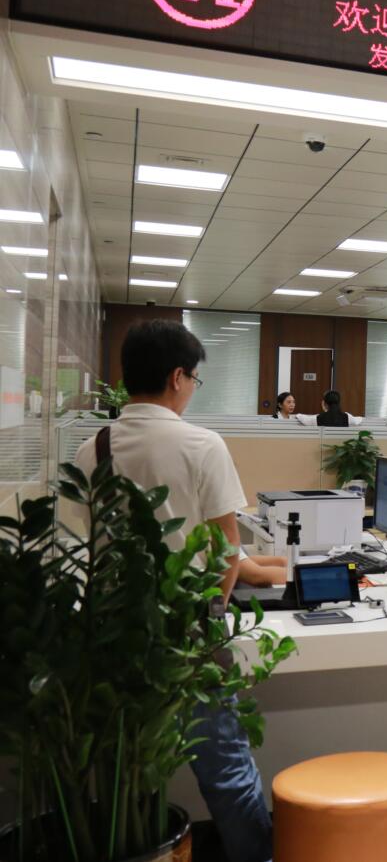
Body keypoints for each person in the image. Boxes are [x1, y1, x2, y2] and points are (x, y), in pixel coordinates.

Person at [73, 321, 271, 862]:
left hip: (118, 631)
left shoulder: (93, 448)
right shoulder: (201, 444)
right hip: (189, 630)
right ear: (178, 377)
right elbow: (228, 549)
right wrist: (215, 610)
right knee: (226, 767)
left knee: (129, 764)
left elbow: (84, 543)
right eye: (194, 380)